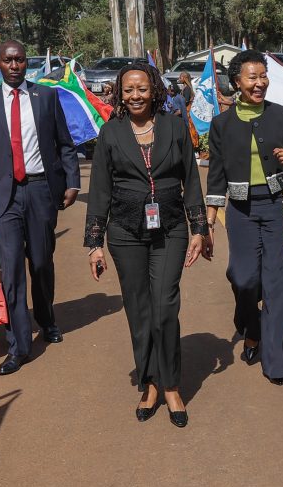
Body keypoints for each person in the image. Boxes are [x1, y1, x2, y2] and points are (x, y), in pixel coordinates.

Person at [85, 61, 209, 427]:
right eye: (128, 90)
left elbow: (190, 178)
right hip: (125, 232)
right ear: (120, 94)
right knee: (139, 310)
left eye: (142, 88)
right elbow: (100, 190)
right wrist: (95, 243)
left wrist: (199, 228)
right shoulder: (111, 133)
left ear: (154, 90)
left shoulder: (174, 127)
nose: (135, 95)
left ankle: (171, 385)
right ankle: (150, 381)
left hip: (170, 228)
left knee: (164, 305)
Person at [0, 40, 81, 376]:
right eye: (8, 60)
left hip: (41, 190)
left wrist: (72, 182)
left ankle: (46, 318)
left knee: (42, 261)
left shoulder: (46, 97)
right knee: (13, 267)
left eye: (19, 60)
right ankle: (18, 345)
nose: (14, 65)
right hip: (3, 197)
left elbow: (65, 143)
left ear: (27, 64)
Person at [205, 49, 283, 385]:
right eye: (252, 77)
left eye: (263, 76)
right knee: (243, 277)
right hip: (241, 212)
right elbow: (216, 174)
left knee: (277, 283)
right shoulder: (221, 124)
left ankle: (275, 362)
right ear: (236, 82)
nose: (260, 83)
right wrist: (209, 221)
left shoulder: (282, 115)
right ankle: (250, 323)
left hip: (278, 207)